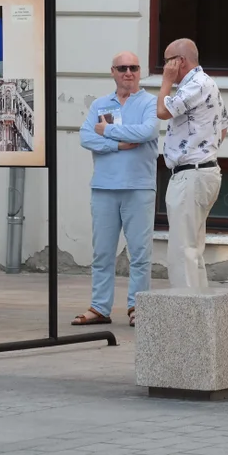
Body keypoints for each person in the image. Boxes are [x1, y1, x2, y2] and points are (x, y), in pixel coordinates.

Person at [74, 52, 159, 328]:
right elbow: (86, 136)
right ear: (112, 71)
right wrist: (118, 144)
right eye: (122, 68)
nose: (128, 73)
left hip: (138, 188)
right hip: (104, 188)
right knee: (102, 252)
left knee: (140, 253)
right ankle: (100, 307)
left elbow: (146, 132)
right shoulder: (100, 104)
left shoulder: (150, 102)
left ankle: (138, 306)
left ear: (139, 71)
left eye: (133, 67)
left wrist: (107, 131)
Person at [156, 38, 228, 289]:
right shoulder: (208, 83)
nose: (165, 66)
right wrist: (205, 146)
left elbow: (163, 111)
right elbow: (224, 125)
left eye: (167, 61)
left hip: (191, 174)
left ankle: (185, 317)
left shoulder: (195, 84)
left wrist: (166, 81)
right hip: (201, 171)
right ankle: (198, 312)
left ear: (180, 61)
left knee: (181, 249)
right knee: (193, 249)